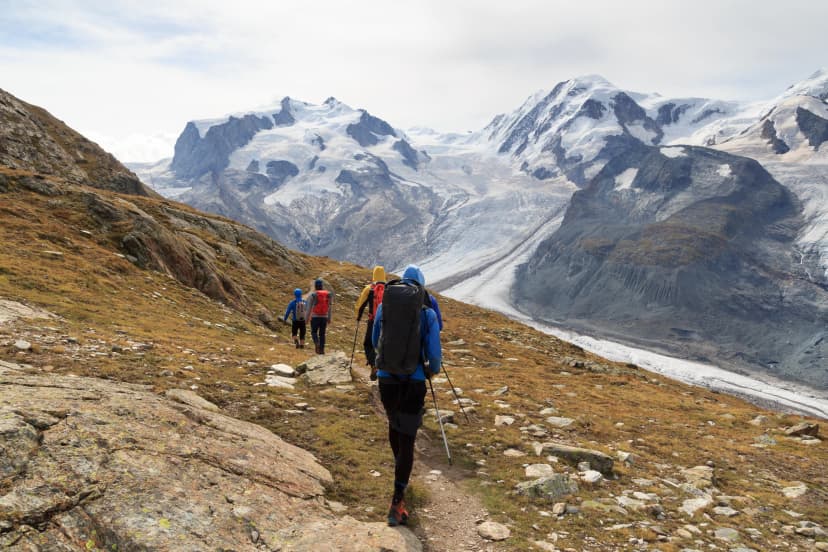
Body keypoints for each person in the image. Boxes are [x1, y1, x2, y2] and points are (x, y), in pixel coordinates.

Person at [372, 264, 441, 527]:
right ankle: (398, 498)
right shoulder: (427, 313)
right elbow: (434, 354)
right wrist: (430, 371)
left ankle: (400, 469)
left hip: (387, 378)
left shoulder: (384, 307)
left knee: (394, 424)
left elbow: (377, 337)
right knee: (408, 437)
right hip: (413, 381)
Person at [355, 265, 386, 380]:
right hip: (387, 323)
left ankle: (374, 365)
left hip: (373, 321)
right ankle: (384, 368)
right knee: (383, 344)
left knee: (368, 343)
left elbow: (361, 305)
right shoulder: (389, 288)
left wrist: (358, 317)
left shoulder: (370, 289)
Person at [305, 278, 333, 354]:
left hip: (315, 317)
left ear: (315, 286)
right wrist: (329, 318)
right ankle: (322, 349)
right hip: (324, 317)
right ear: (322, 286)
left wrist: (306, 319)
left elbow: (308, 308)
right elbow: (330, 307)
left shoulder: (313, 295)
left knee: (314, 332)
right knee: (322, 334)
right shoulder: (328, 295)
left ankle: (317, 343)